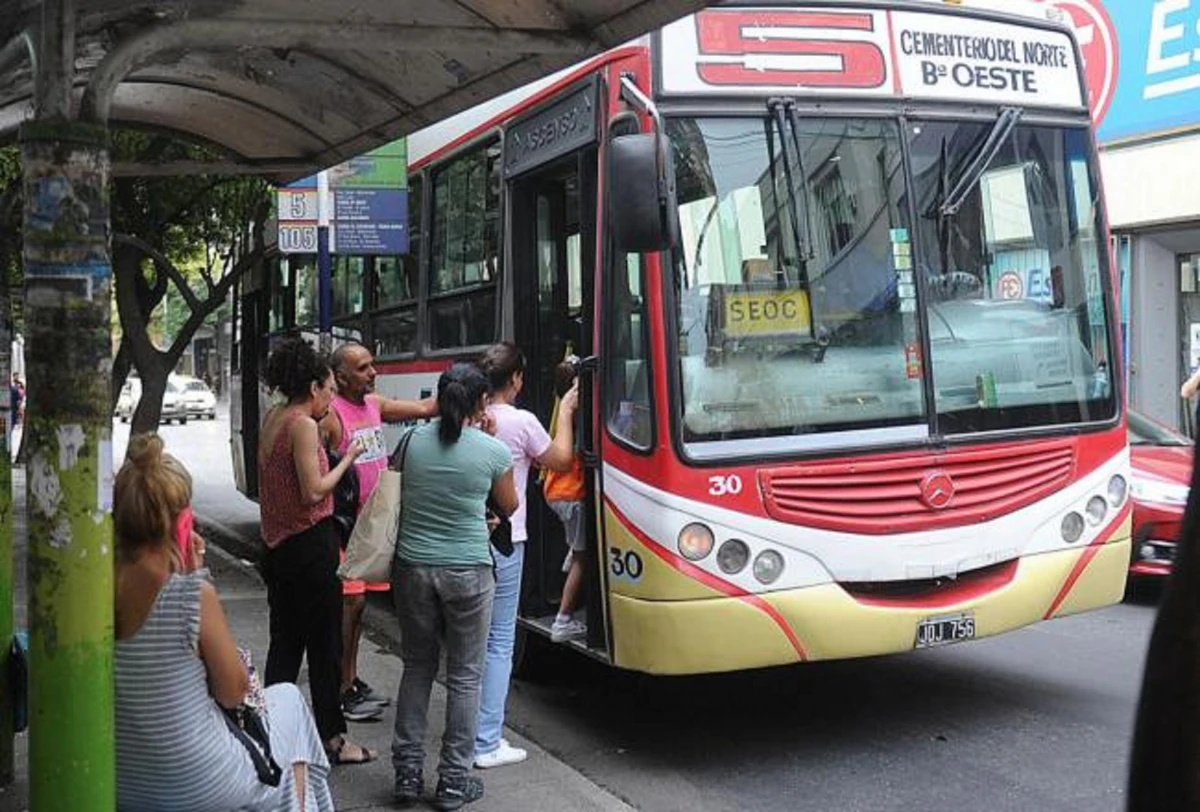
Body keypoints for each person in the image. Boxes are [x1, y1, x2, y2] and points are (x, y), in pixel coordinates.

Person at [114, 433, 335, 811]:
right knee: (290, 704)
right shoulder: (189, 594)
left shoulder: (91, 591)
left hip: (125, 781)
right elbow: (234, 692)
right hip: (201, 780)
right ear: (182, 521)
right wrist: (196, 572)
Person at [391, 362, 518, 810]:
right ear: (482, 402)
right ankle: (452, 780)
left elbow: (396, 489)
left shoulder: (410, 442)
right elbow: (510, 503)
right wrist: (487, 436)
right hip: (468, 571)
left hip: (413, 568)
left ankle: (407, 772)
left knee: (417, 667)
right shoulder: (490, 450)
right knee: (465, 677)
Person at [257, 336, 372, 766]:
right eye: (328, 389)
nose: (330, 399)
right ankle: (334, 739)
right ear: (313, 388)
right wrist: (347, 459)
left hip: (277, 547)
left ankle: (271, 732)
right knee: (325, 648)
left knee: (284, 647)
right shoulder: (303, 425)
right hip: (309, 545)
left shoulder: (273, 418)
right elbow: (313, 492)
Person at [472, 342, 578, 770]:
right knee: (499, 642)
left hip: (466, 539)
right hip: (506, 541)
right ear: (515, 380)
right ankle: (486, 741)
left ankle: (468, 732)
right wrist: (566, 412)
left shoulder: (472, 419)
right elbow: (562, 459)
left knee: (468, 643)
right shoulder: (521, 422)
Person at [322, 341, 437, 723]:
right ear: (340, 377)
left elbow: (424, 408)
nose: (373, 373)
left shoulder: (374, 405)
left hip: (372, 528)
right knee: (350, 605)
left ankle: (349, 679)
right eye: (363, 368)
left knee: (358, 611)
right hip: (343, 529)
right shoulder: (330, 416)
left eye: (372, 365)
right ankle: (339, 685)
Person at [543, 358, 588, 643]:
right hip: (571, 495)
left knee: (577, 546)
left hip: (556, 493)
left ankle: (571, 555)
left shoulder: (560, 410)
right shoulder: (574, 415)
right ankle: (562, 620)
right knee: (584, 558)